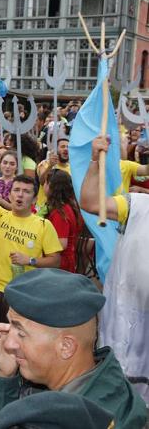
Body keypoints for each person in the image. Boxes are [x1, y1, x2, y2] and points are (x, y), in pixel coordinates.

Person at [0, 269, 147, 428]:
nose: (8, 343)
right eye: (10, 326)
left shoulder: (77, 421)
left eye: (21, 333)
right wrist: (5, 377)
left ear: (66, 347)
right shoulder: (102, 384)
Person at [0, 167, 63, 384]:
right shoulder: (0, 215)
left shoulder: (43, 225)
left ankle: (16, 390)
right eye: (16, 190)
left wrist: (29, 260)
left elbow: (55, 260)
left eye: (26, 191)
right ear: (10, 194)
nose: (20, 195)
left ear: (34, 197)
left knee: (20, 346)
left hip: (24, 295)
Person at [81, 135, 149, 403]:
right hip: (126, 336)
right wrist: (95, 162)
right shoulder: (137, 206)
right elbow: (91, 203)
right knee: (119, 406)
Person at [42, 170, 82, 273]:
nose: (43, 185)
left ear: (52, 187)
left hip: (60, 266)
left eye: (46, 182)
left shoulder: (60, 212)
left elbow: (61, 244)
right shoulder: (68, 206)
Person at [36, 136, 71, 208]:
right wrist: (50, 166)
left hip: (61, 209)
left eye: (68, 147)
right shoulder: (45, 164)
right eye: (62, 146)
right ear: (56, 149)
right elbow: (42, 181)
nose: (66, 149)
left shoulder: (72, 169)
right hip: (43, 208)